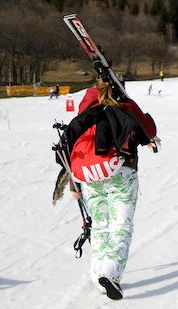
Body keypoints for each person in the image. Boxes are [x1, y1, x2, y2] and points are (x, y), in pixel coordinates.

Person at [63, 79, 157, 300]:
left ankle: (98, 275)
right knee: (121, 226)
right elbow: (149, 131)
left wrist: (73, 182)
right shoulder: (125, 106)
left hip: (88, 174)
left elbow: (73, 143)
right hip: (120, 173)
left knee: (100, 226)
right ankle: (110, 273)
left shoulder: (86, 107)